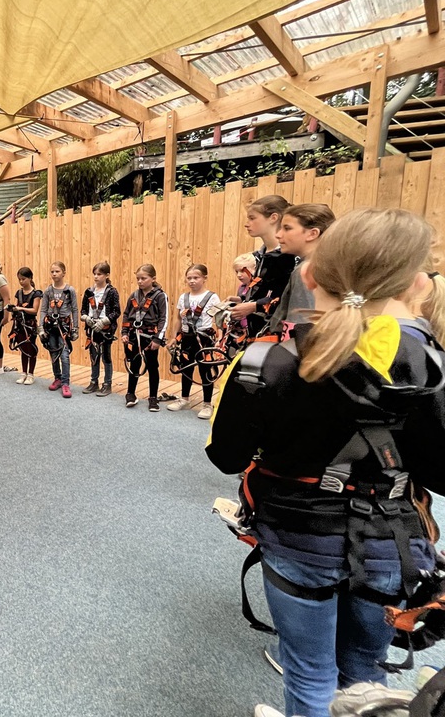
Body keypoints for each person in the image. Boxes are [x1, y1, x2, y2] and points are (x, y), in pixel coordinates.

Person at [207, 209, 445, 717]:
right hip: (390, 545)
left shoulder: (264, 361)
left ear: (310, 276)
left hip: (298, 537)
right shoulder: (431, 365)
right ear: (413, 284)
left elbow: (226, 456)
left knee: (309, 673)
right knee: (366, 677)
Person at [228, 195, 297, 342]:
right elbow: (267, 291)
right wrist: (243, 300)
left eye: (252, 218)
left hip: (277, 337)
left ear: (273, 218)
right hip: (256, 335)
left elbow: (286, 299)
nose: (247, 224)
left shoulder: (287, 257)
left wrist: (254, 306)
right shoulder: (260, 256)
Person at [269, 203, 336, 339]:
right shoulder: (330, 265)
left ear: (312, 233)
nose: (278, 235)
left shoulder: (306, 271)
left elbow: (300, 327)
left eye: (287, 228)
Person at [167, 264, 222, 419]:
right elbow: (178, 319)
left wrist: (220, 338)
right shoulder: (183, 298)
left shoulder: (212, 297)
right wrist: (173, 337)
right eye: (189, 278)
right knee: (186, 369)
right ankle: (184, 398)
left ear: (204, 278)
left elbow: (219, 319)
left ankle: (207, 404)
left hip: (204, 339)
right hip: (187, 338)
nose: (192, 281)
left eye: (196, 278)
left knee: (205, 370)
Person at [121, 264, 168, 411]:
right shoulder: (134, 296)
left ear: (153, 279)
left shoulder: (160, 296)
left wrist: (157, 339)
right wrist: (124, 332)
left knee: (152, 366)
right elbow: (126, 314)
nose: (140, 281)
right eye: (138, 279)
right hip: (134, 335)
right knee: (134, 364)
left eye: (143, 278)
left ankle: (153, 397)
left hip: (150, 337)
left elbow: (164, 318)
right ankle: (130, 393)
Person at [80, 261, 121, 396]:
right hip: (92, 328)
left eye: (99, 274)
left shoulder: (112, 292)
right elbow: (83, 310)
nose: (96, 277)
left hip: (105, 329)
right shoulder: (89, 292)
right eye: (95, 274)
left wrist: (104, 321)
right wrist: (86, 318)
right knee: (94, 356)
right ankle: (94, 381)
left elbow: (116, 311)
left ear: (107, 275)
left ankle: (107, 383)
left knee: (106, 357)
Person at [39, 261, 79, 398]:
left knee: (64, 355)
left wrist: (75, 328)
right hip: (50, 326)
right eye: (52, 271)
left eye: (57, 271)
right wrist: (40, 328)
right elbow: (43, 309)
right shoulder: (48, 291)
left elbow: (75, 310)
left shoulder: (69, 291)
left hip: (64, 328)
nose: (54, 274)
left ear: (63, 273)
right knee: (53, 353)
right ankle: (57, 377)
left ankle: (65, 382)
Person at [8, 267, 42, 385]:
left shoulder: (36, 294)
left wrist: (20, 308)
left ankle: (31, 374)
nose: (21, 281)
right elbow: (15, 307)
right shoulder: (19, 293)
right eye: (19, 279)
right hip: (19, 325)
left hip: (30, 325)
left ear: (30, 278)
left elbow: (34, 310)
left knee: (31, 349)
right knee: (23, 348)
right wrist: (12, 309)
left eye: (23, 279)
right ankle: (23, 373)